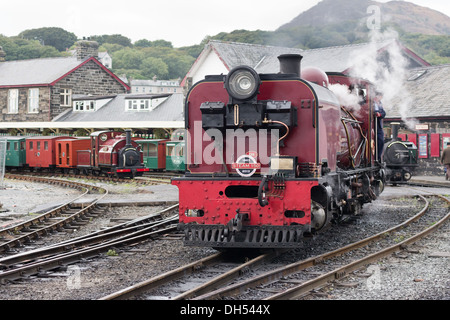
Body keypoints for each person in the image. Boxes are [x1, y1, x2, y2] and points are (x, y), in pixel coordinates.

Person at [373, 91, 386, 162]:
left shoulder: (379, 103)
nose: (380, 98)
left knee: (381, 141)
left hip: (378, 125)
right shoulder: (370, 102)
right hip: (372, 124)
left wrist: (379, 114)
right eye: (380, 97)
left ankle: (377, 158)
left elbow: (384, 113)